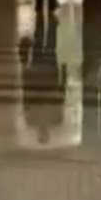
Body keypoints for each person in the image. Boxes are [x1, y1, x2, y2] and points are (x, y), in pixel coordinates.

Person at [19, 13, 67, 145]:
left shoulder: (52, 121)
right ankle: (42, 19)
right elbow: (26, 97)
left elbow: (61, 97)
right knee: (44, 47)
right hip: (43, 77)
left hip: (44, 77)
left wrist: (64, 75)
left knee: (48, 47)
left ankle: (46, 21)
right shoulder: (35, 121)